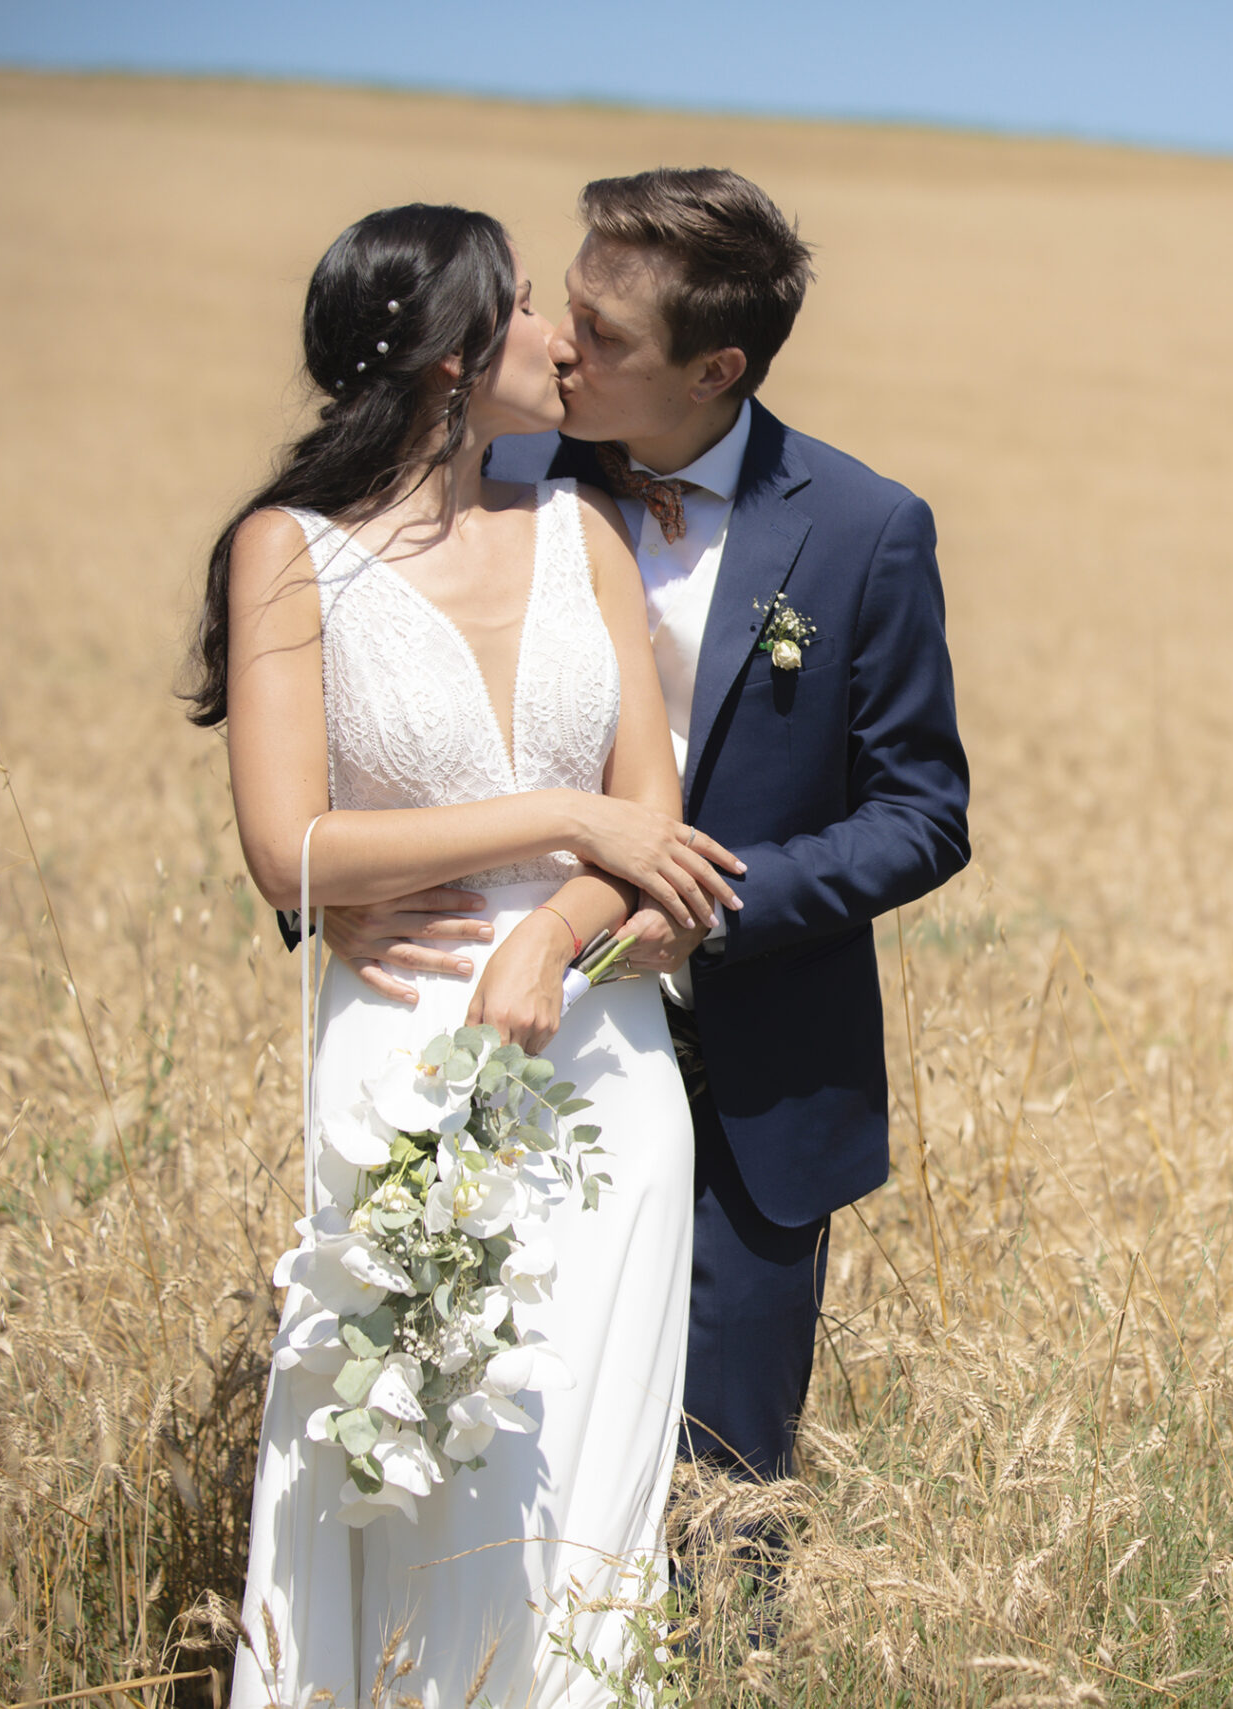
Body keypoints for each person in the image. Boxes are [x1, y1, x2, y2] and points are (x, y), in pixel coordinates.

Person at [323, 169, 970, 1545]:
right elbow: (357, 712)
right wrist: (333, 905)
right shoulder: (494, 478)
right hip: (495, 1040)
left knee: (722, 1499)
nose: (560, 344)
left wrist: (715, 910)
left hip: (755, 1077)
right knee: (490, 1467)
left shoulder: (864, 531)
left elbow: (923, 812)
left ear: (715, 369)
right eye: (565, 304)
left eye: (606, 334)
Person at [189, 202, 745, 1707]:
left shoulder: (583, 533)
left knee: (589, 1473)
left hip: (607, 1056)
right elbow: (289, 849)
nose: (566, 340)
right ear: (449, 356)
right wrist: (561, 818)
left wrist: (553, 931)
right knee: (415, 1452)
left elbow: (653, 830)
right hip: (404, 1041)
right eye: (530, 309)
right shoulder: (288, 552)